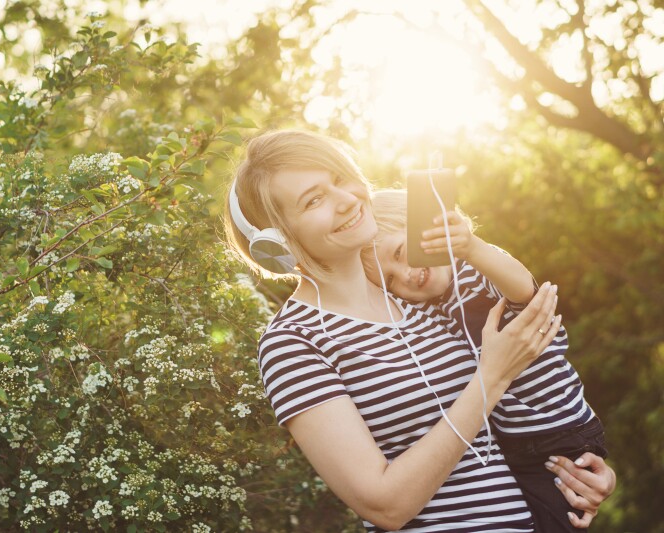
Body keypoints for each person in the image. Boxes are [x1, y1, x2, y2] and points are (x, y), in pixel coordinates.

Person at [223, 129, 615, 532]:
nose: (346, 200)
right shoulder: (293, 342)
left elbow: (507, 423)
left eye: (338, 179)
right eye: (314, 200)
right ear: (278, 244)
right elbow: (385, 506)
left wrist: (579, 469)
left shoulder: (422, 300)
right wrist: (492, 376)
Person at [360, 188, 609, 531]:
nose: (405, 274)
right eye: (390, 281)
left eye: (402, 252)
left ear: (427, 233)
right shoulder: (422, 310)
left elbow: (523, 288)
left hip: (558, 431)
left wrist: (471, 246)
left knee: (557, 521)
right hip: (515, 442)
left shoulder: (476, 271)